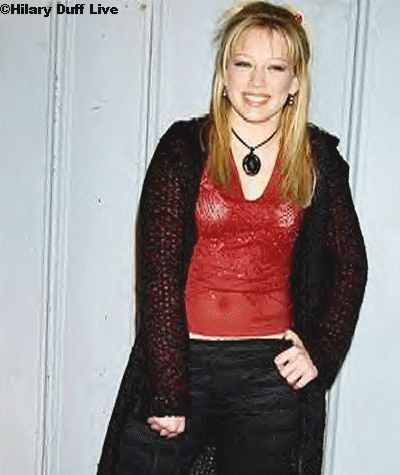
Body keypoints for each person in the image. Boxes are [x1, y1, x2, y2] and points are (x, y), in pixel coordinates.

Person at [97, 2, 368, 474]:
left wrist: (322, 352)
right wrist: (168, 389)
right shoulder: (183, 149)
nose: (257, 82)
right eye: (244, 64)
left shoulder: (317, 158)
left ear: (296, 80)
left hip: (269, 376)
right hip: (183, 363)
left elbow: (350, 264)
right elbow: (158, 273)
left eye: (275, 67)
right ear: (224, 72)